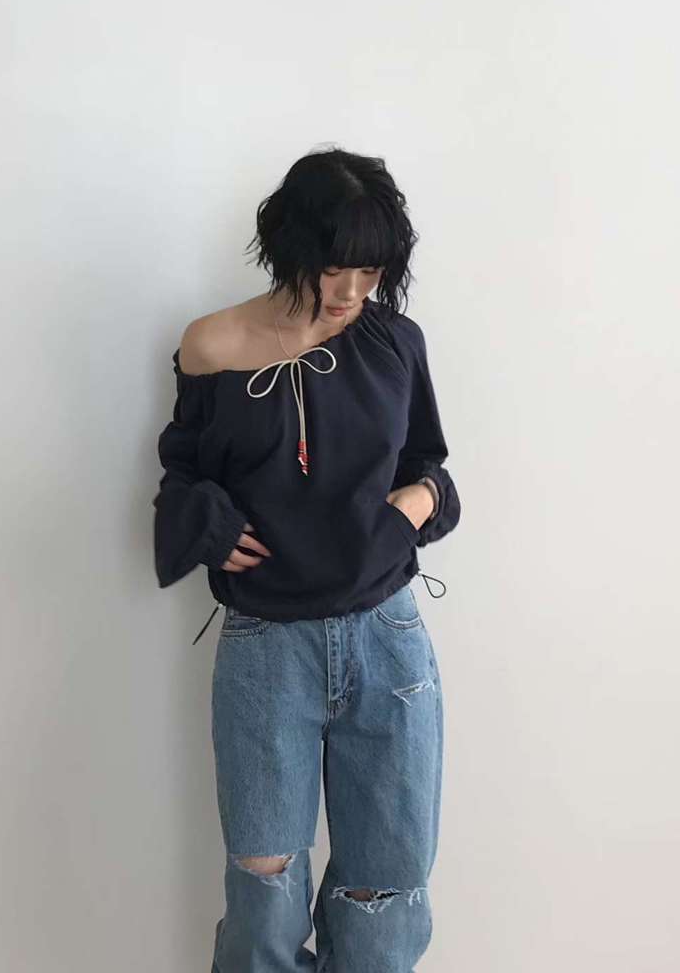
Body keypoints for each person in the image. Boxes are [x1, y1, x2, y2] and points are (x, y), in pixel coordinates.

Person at [152, 145, 461, 972]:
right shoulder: (213, 344)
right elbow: (183, 472)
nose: (352, 291)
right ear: (292, 247)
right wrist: (209, 525)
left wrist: (415, 504)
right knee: (263, 905)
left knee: (382, 901)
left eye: (372, 271)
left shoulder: (395, 342)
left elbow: (429, 467)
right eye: (334, 268)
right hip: (267, 649)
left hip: (388, 638)